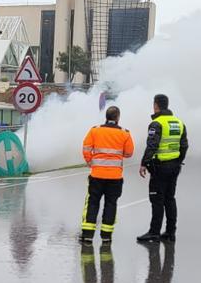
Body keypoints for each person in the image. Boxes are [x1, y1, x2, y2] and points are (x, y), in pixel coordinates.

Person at [138, 94, 189, 243]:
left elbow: (152, 145)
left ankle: (154, 232)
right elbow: (184, 146)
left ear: (156, 105)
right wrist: (178, 161)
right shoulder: (179, 123)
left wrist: (144, 163)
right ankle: (170, 232)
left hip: (160, 168)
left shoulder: (157, 123)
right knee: (170, 199)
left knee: (157, 200)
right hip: (174, 167)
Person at [80, 106, 135, 242]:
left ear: (106, 116)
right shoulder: (125, 133)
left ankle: (87, 235)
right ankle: (106, 236)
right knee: (111, 204)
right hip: (115, 177)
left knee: (92, 203)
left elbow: (86, 148)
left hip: (97, 175)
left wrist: (89, 161)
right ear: (118, 118)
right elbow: (129, 153)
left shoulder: (95, 130)